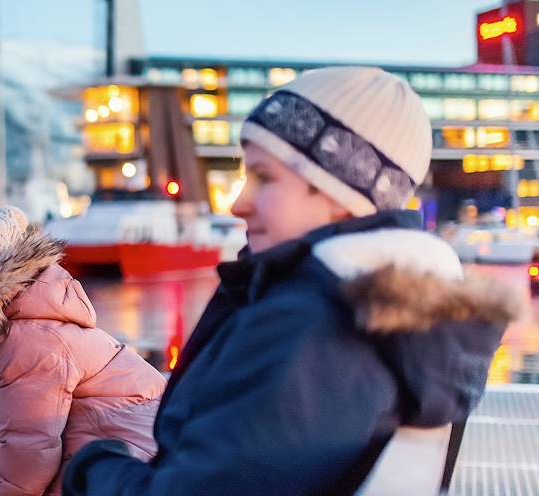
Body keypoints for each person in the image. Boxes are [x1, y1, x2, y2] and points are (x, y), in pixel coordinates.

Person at [63, 66, 518, 495]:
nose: (238, 203)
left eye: (265, 178)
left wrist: (92, 463)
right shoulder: (407, 323)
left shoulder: (312, 324)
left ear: (343, 197)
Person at [0, 206, 165, 496]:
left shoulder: (28, 337)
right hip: (126, 461)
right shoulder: (20, 322)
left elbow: (26, 458)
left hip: (133, 470)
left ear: (6, 268)